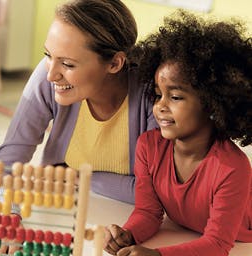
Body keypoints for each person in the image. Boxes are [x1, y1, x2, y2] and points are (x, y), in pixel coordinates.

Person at [104, 11, 252, 256]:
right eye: (158, 94)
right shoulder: (149, 147)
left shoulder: (232, 168)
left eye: (174, 97)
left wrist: (158, 254)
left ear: (212, 104)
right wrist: (127, 234)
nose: (160, 106)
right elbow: (148, 213)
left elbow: (217, 244)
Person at [0, 0, 157, 205]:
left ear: (114, 63)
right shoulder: (47, 76)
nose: (51, 75)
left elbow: (156, 193)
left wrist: (73, 177)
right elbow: (2, 169)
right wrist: (9, 218)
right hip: (62, 209)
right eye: (48, 55)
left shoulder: (152, 95)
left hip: (127, 221)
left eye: (68, 64)